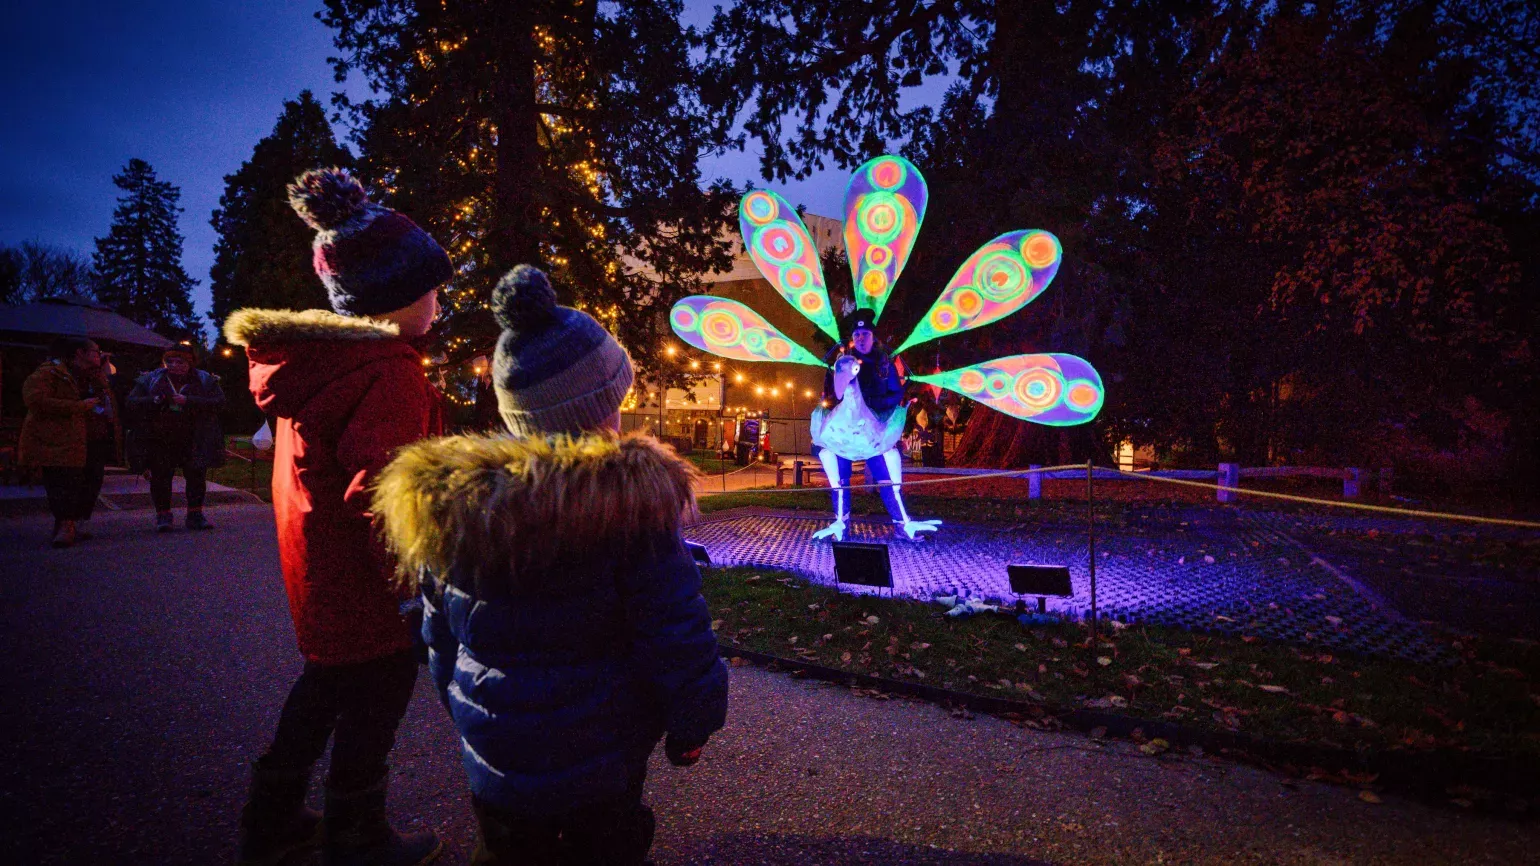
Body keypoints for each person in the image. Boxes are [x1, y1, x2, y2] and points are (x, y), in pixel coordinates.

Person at [372, 265, 728, 866]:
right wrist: (693, 723)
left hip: (497, 758)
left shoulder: (455, 509)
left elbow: (436, 639)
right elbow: (676, 634)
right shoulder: (630, 510)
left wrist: (469, 713)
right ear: (602, 409)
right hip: (604, 757)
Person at [225, 167, 451, 866]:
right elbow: (385, 490)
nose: (439, 305)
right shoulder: (388, 372)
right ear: (388, 301)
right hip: (368, 580)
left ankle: (273, 814)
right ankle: (356, 832)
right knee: (376, 699)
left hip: (318, 566)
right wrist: (413, 583)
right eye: (430, 291)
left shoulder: (316, 365)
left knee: (323, 685)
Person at [810, 309, 940, 541]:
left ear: (872, 336)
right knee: (840, 479)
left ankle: (902, 524)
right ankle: (841, 524)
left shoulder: (884, 363)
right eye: (857, 334)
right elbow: (831, 393)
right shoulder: (842, 362)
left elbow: (894, 393)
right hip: (845, 434)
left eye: (865, 334)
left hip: (875, 433)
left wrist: (875, 405)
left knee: (886, 476)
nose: (861, 338)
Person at [19, 336, 118, 547]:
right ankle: (65, 525)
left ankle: (77, 523)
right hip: (63, 440)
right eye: (95, 351)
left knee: (91, 481)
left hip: (94, 437)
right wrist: (79, 406)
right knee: (64, 484)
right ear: (80, 353)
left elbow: (108, 401)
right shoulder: (50, 373)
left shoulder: (95, 375)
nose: (99, 355)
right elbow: (35, 401)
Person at [126, 344, 226, 531]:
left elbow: (220, 402)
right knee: (161, 477)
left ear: (190, 363)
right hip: (160, 437)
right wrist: (155, 400)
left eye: (179, 361)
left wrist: (189, 401)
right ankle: (163, 516)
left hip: (195, 437)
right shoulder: (152, 378)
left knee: (196, 476)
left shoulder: (205, 379)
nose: (174, 365)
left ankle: (195, 515)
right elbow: (131, 402)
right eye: (169, 361)